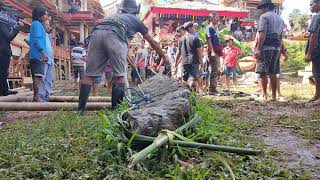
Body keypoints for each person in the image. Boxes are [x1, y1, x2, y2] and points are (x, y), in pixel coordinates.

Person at [78, 0, 168, 112]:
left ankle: (80, 110)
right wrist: (164, 56)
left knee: (88, 76)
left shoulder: (114, 16)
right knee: (119, 76)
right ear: (135, 11)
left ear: (122, 9)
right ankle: (116, 111)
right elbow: (152, 42)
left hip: (96, 33)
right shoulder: (135, 20)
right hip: (116, 34)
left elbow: (123, 43)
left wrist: (128, 57)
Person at [254, 0, 284, 101]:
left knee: (262, 71)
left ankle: (264, 96)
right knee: (273, 72)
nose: (261, 11)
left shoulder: (264, 17)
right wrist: (281, 49)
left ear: (266, 7)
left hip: (266, 47)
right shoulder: (280, 19)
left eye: (262, 8)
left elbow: (262, 33)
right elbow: (280, 37)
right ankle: (274, 97)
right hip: (276, 47)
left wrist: (258, 48)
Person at [175, 22, 203, 91]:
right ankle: (192, 94)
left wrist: (176, 62)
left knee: (185, 78)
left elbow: (179, 52)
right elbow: (199, 51)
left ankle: (185, 93)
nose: (194, 29)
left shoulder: (181, 39)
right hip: (193, 61)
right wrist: (201, 61)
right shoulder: (195, 38)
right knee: (192, 78)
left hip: (184, 62)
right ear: (190, 28)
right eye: (193, 27)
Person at [29, 6, 50, 102]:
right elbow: (36, 41)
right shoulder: (37, 24)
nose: (47, 16)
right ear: (40, 14)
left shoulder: (37, 24)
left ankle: (36, 96)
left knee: (38, 76)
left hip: (38, 54)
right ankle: (36, 97)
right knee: (37, 76)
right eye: (45, 14)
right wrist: (43, 53)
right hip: (38, 54)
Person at [0, 14, 23, 96]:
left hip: (2, 51)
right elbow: (9, 37)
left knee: (3, 72)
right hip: (2, 52)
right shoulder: (2, 23)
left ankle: (4, 90)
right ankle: (3, 91)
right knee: (3, 72)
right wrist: (16, 28)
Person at [305, 0, 320, 102]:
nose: (310, 7)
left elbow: (314, 35)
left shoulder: (316, 16)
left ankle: (318, 96)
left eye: (311, 5)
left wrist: (309, 53)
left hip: (317, 49)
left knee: (317, 73)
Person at [206, 13, 222, 95]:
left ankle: (213, 88)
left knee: (216, 70)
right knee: (214, 70)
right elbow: (209, 40)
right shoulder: (209, 28)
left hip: (217, 51)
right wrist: (212, 51)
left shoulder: (216, 28)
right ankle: (212, 89)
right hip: (213, 51)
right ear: (212, 19)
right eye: (216, 18)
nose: (218, 19)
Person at [39, 19, 54, 102]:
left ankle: (47, 95)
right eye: (47, 24)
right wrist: (40, 51)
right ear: (42, 25)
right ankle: (41, 96)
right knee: (42, 78)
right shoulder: (38, 33)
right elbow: (28, 39)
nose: (49, 26)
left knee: (48, 79)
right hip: (43, 58)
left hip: (49, 59)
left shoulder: (47, 35)